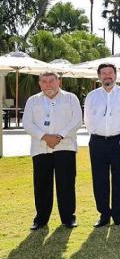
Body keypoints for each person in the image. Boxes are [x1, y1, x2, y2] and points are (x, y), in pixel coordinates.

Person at [23, 72, 82, 230]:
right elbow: (27, 123)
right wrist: (45, 137)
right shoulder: (32, 100)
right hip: (40, 148)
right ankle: (41, 219)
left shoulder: (71, 98)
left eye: (51, 81)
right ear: (40, 83)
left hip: (65, 147)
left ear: (59, 82)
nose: (48, 85)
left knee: (66, 184)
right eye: (44, 81)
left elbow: (77, 120)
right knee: (41, 185)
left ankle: (68, 218)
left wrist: (59, 136)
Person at [84, 63, 120, 228]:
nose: (107, 76)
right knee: (99, 179)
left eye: (110, 73)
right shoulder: (92, 96)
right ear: (99, 76)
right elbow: (88, 120)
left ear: (115, 75)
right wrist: (96, 134)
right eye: (103, 73)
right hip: (97, 142)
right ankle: (104, 214)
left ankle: (118, 215)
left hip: (119, 142)